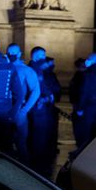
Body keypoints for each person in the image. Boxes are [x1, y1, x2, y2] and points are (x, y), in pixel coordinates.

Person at [28, 50, 61, 178]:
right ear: (35, 57)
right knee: (38, 138)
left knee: (41, 137)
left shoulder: (37, 69)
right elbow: (39, 88)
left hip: (41, 108)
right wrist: (48, 97)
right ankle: (38, 169)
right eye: (42, 56)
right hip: (38, 108)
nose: (44, 58)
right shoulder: (34, 69)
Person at [6, 43, 40, 164]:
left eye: (14, 53)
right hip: (5, 110)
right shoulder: (4, 67)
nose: (11, 55)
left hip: (19, 111)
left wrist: (25, 110)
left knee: (21, 143)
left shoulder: (26, 70)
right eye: (9, 52)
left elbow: (36, 91)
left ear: (19, 54)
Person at [69, 58, 88, 149]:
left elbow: (80, 92)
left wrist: (79, 107)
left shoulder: (81, 76)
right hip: (78, 105)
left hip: (80, 106)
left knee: (80, 129)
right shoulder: (81, 75)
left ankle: (80, 147)